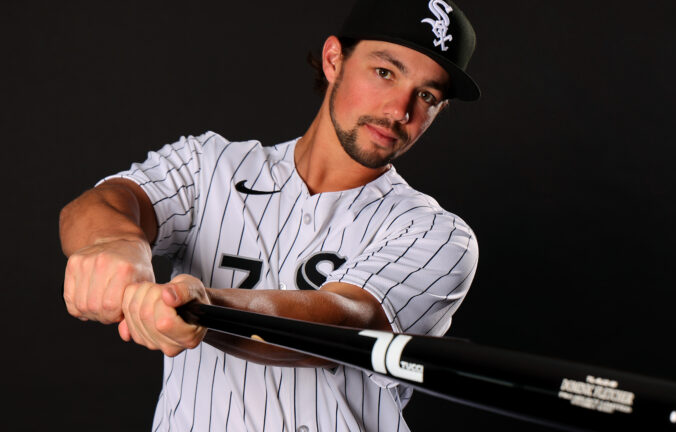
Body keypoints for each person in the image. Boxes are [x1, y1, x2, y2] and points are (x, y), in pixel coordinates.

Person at [59, 1, 480, 430]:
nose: (399, 110)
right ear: (335, 59)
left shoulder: (437, 234)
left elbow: (345, 322)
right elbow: (108, 202)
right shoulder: (210, 164)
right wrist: (113, 243)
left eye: (427, 95)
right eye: (385, 73)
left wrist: (204, 308)